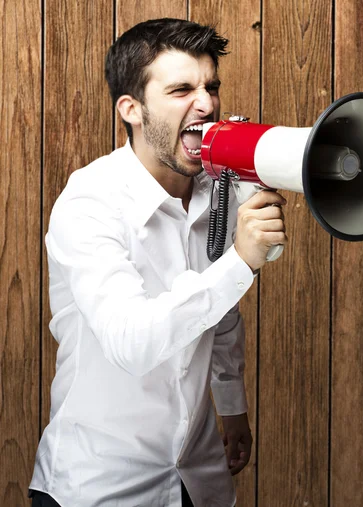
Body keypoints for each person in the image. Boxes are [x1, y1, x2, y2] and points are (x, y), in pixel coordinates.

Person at [29, 18, 287, 507]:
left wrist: (231, 406)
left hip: (199, 476)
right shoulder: (89, 201)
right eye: (181, 89)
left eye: (211, 86)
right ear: (132, 109)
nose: (207, 104)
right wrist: (239, 260)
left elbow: (222, 313)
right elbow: (132, 342)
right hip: (101, 485)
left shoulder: (220, 190)